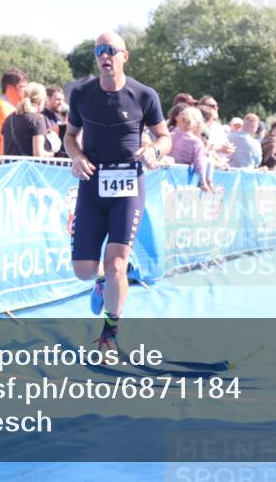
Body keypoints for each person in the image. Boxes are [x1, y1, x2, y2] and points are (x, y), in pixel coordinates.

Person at [64, 31, 170, 352]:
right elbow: (70, 136)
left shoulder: (144, 95)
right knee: (83, 271)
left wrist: (154, 150)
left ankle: (109, 334)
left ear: (125, 55)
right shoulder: (81, 93)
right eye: (99, 50)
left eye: (110, 50)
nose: (104, 55)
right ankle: (100, 282)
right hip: (92, 184)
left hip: (128, 185)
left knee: (117, 264)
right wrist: (76, 156)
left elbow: (164, 137)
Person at [3, 83, 55, 158]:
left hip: (10, 164)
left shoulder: (8, 119)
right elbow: (38, 154)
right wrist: (53, 154)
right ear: (41, 101)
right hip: (28, 165)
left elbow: (3, 151)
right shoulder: (38, 120)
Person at [0, 67, 28, 163]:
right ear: (9, 88)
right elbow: (10, 136)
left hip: (8, 161)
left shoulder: (10, 107)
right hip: (2, 162)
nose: (25, 91)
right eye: (22, 87)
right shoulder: (1, 107)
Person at [169, 104, 212, 191]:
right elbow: (199, 163)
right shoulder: (196, 142)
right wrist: (203, 182)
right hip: (182, 180)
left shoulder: (170, 134)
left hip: (166, 176)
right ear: (197, 123)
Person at [42, 86, 68, 158]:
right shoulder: (41, 118)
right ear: (47, 99)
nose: (61, 103)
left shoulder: (60, 118)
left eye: (62, 100)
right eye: (58, 100)